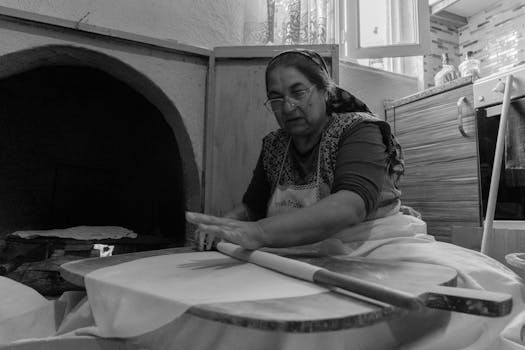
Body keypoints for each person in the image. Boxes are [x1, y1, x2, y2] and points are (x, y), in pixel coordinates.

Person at [187, 48, 411, 252]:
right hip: (309, 250)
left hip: (375, 249)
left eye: (298, 92)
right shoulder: (274, 145)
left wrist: (260, 232)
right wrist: (224, 226)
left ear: (325, 91)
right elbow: (252, 208)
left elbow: (350, 206)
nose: (287, 107)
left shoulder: (358, 130)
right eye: (276, 98)